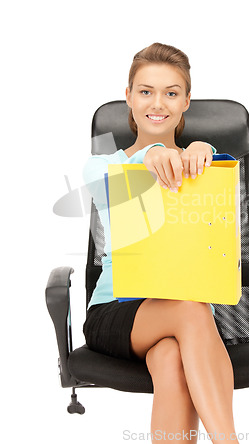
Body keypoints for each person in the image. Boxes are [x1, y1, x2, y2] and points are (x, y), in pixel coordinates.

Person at [83, 42, 239, 444]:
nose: (158, 103)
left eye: (171, 92)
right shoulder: (103, 165)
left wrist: (208, 155)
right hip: (117, 312)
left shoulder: (197, 166)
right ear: (129, 98)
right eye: (146, 91)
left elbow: (216, 232)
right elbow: (130, 181)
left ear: (186, 101)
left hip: (184, 313)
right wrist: (152, 152)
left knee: (171, 358)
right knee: (189, 310)